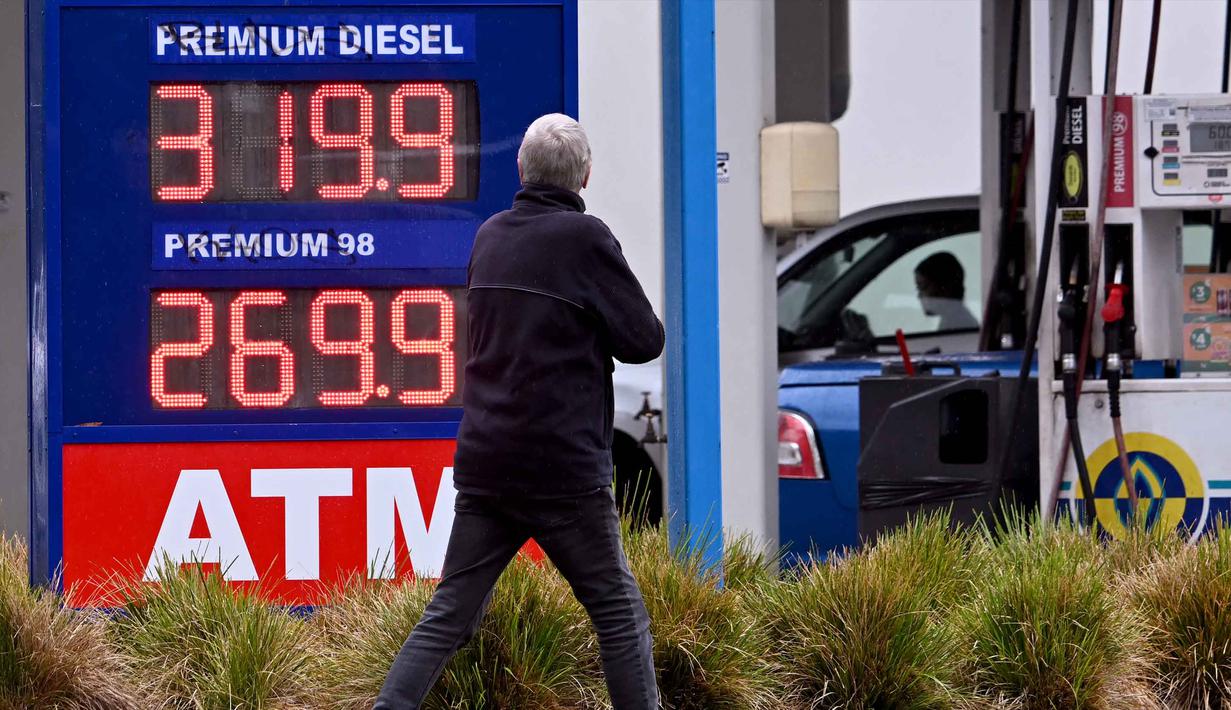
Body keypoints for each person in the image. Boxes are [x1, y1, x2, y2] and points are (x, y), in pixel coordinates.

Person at [375, 114, 664, 710]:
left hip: (487, 463)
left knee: (450, 614)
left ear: (520, 169)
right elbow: (644, 340)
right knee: (618, 611)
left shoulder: (490, 236)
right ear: (585, 176)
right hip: (563, 472)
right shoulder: (586, 239)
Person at [914, 251, 978, 331]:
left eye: (923, 287)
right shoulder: (957, 322)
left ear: (945, 288)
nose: (919, 296)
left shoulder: (958, 326)